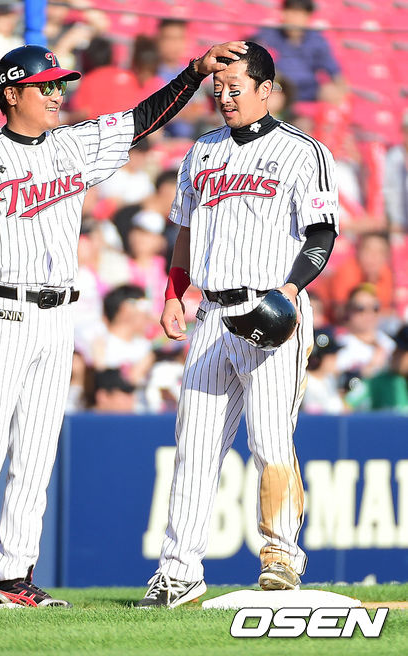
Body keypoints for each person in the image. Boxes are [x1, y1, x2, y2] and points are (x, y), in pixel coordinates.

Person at [0, 39, 249, 608]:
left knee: (36, 452)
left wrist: (194, 73)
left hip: (58, 318)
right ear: (11, 94)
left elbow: (142, 120)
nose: (57, 94)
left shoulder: (71, 146)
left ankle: (13, 579)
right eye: (44, 86)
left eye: (59, 85)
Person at [135, 41, 339, 608]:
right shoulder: (201, 151)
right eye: (218, 88)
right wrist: (174, 294)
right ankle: (179, 572)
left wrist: (290, 292)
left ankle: (281, 556)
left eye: (235, 88)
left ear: (265, 90)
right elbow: (184, 231)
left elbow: (322, 233)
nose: (224, 97)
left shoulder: (302, 151)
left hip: (271, 309)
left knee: (270, 439)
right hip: (210, 314)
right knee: (194, 445)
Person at [253, 0, 345, 103]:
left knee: (332, 92)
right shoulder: (268, 35)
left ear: (308, 16)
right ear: (283, 13)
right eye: (291, 12)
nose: (294, 19)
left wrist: (340, 90)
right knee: (271, 98)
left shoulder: (316, 39)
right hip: (280, 89)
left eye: (299, 14)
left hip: (309, 90)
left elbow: (334, 72)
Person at [345, 324, 408, 412]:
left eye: (401, 351)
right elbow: (345, 406)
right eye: (396, 349)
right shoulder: (378, 381)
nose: (394, 354)